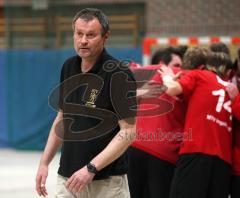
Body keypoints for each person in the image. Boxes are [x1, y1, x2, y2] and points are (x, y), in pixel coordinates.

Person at [35, 8, 137, 198]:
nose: (83, 40)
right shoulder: (69, 67)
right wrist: (44, 163)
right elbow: (62, 118)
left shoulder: (118, 74)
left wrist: (91, 168)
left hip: (106, 182)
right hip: (68, 179)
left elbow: (129, 131)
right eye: (79, 33)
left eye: (91, 35)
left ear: (105, 37)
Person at [160, 48, 233, 198]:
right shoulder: (231, 89)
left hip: (197, 152)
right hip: (224, 162)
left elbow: (171, 89)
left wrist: (168, 77)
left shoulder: (200, 75)